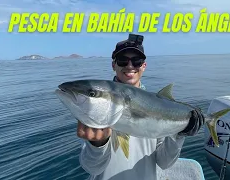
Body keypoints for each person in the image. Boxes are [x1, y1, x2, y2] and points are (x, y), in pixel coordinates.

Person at [77, 33, 205, 180]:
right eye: (123, 60)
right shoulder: (100, 104)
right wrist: (97, 144)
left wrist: (180, 134)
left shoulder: (157, 105)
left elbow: (164, 162)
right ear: (114, 65)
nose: (130, 66)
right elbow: (92, 167)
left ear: (144, 66)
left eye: (137, 61)